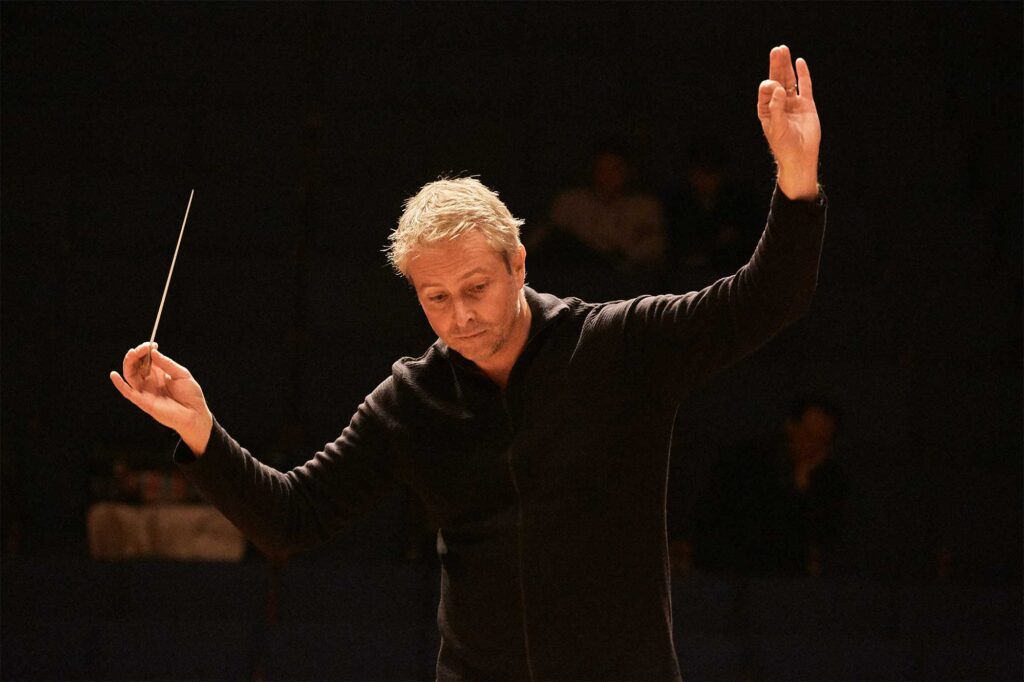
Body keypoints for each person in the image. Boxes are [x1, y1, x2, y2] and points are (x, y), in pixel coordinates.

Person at [111, 45, 825, 681]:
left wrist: (796, 181)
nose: (460, 317)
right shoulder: (411, 400)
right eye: (436, 298)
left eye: (476, 289)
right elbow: (291, 519)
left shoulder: (616, 345)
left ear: (518, 264)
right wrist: (201, 431)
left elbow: (763, 302)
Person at [677, 395, 847, 578]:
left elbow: (819, 539)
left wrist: (802, 484)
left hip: (787, 581)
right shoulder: (749, 463)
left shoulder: (829, 479)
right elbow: (749, 525)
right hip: (728, 570)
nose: (812, 445)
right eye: (808, 434)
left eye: (821, 440)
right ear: (791, 426)